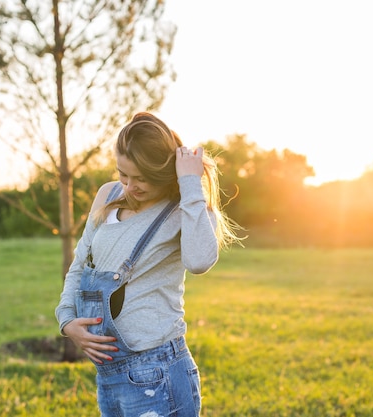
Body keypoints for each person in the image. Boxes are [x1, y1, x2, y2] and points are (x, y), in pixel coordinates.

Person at [55, 112, 242, 416]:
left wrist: (191, 183)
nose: (130, 186)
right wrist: (66, 321)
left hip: (157, 371)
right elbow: (81, 263)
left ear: (164, 173)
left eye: (141, 178)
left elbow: (199, 261)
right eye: (123, 174)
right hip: (110, 376)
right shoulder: (107, 194)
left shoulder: (185, 209)